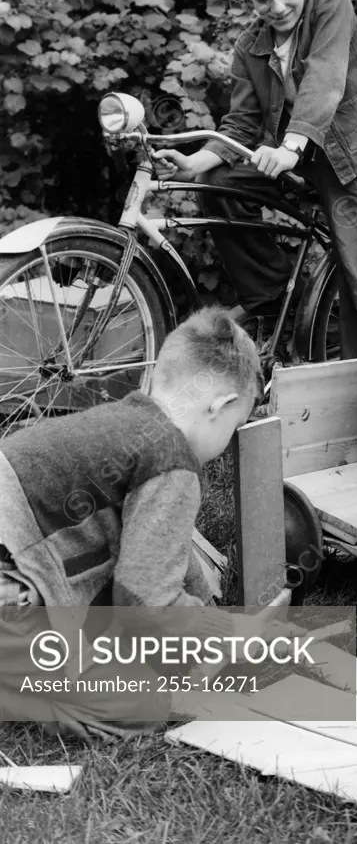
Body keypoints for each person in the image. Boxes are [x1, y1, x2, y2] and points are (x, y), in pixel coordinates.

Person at [0, 307, 265, 740]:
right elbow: (142, 598)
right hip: (11, 595)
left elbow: (164, 554)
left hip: (17, 562)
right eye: (235, 427)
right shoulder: (170, 459)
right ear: (221, 406)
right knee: (144, 702)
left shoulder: (129, 424)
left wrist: (207, 617)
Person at [152, 0, 357, 359]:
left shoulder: (331, 4)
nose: (276, 6)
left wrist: (290, 147)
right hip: (302, 160)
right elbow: (240, 124)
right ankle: (275, 305)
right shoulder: (250, 44)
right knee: (219, 187)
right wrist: (195, 163)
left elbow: (324, 80)